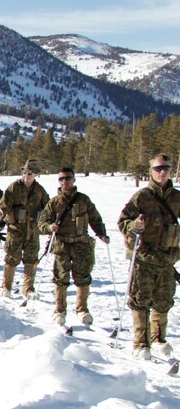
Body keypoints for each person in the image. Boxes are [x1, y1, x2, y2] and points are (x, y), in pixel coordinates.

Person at [117, 153, 180, 359]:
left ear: (171, 171)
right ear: (150, 171)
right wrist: (135, 226)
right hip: (143, 258)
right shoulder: (142, 197)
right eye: (158, 168)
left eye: (166, 168)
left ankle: (159, 339)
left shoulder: (177, 198)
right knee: (140, 300)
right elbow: (123, 221)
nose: (162, 172)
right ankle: (141, 343)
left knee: (163, 301)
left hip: (167, 259)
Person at [38, 167, 109, 326]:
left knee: (83, 278)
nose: (65, 181)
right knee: (61, 278)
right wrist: (50, 228)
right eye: (61, 179)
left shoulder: (83, 200)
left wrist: (101, 233)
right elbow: (41, 223)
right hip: (62, 245)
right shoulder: (54, 203)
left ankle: (82, 309)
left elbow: (95, 218)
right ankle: (60, 310)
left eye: (68, 178)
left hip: (81, 244)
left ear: (73, 179)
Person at [0, 158, 50, 298]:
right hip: (16, 230)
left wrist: (49, 224)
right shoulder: (14, 187)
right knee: (11, 258)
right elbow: (3, 204)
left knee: (31, 260)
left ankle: (28, 289)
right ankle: (6, 287)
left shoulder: (39, 190)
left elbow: (48, 208)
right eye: (25, 172)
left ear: (36, 175)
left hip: (33, 230)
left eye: (30, 173)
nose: (27, 175)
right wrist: (0, 216)